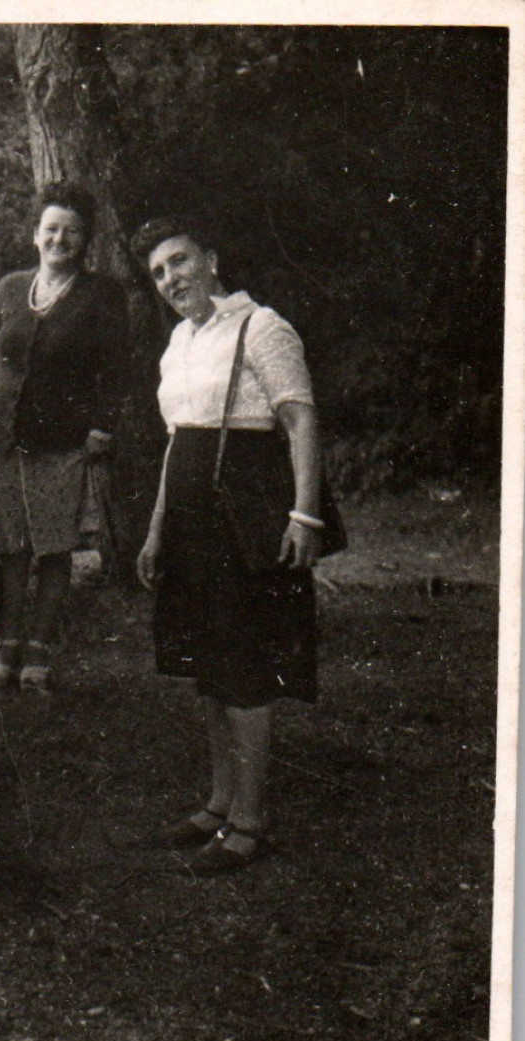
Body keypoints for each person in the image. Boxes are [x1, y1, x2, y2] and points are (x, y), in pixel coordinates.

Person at [131, 215, 325, 875]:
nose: (171, 280)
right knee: (210, 667)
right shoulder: (180, 343)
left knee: (244, 666)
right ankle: (218, 802)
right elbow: (175, 443)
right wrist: (157, 529)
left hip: (246, 514)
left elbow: (299, 419)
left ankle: (250, 819)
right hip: (190, 520)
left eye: (179, 261)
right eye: (158, 273)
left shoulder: (262, 327)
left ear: (211, 258)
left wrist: (304, 515)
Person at [0, 183, 129, 692]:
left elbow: (117, 369)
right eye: (51, 229)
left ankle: (38, 647)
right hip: (0, 438)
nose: (60, 239)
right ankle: (8, 641)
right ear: (35, 234)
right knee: (10, 547)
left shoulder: (102, 294)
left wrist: (102, 426)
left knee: (53, 549)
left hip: (60, 443)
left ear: (84, 241)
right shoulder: (12, 287)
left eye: (72, 231)